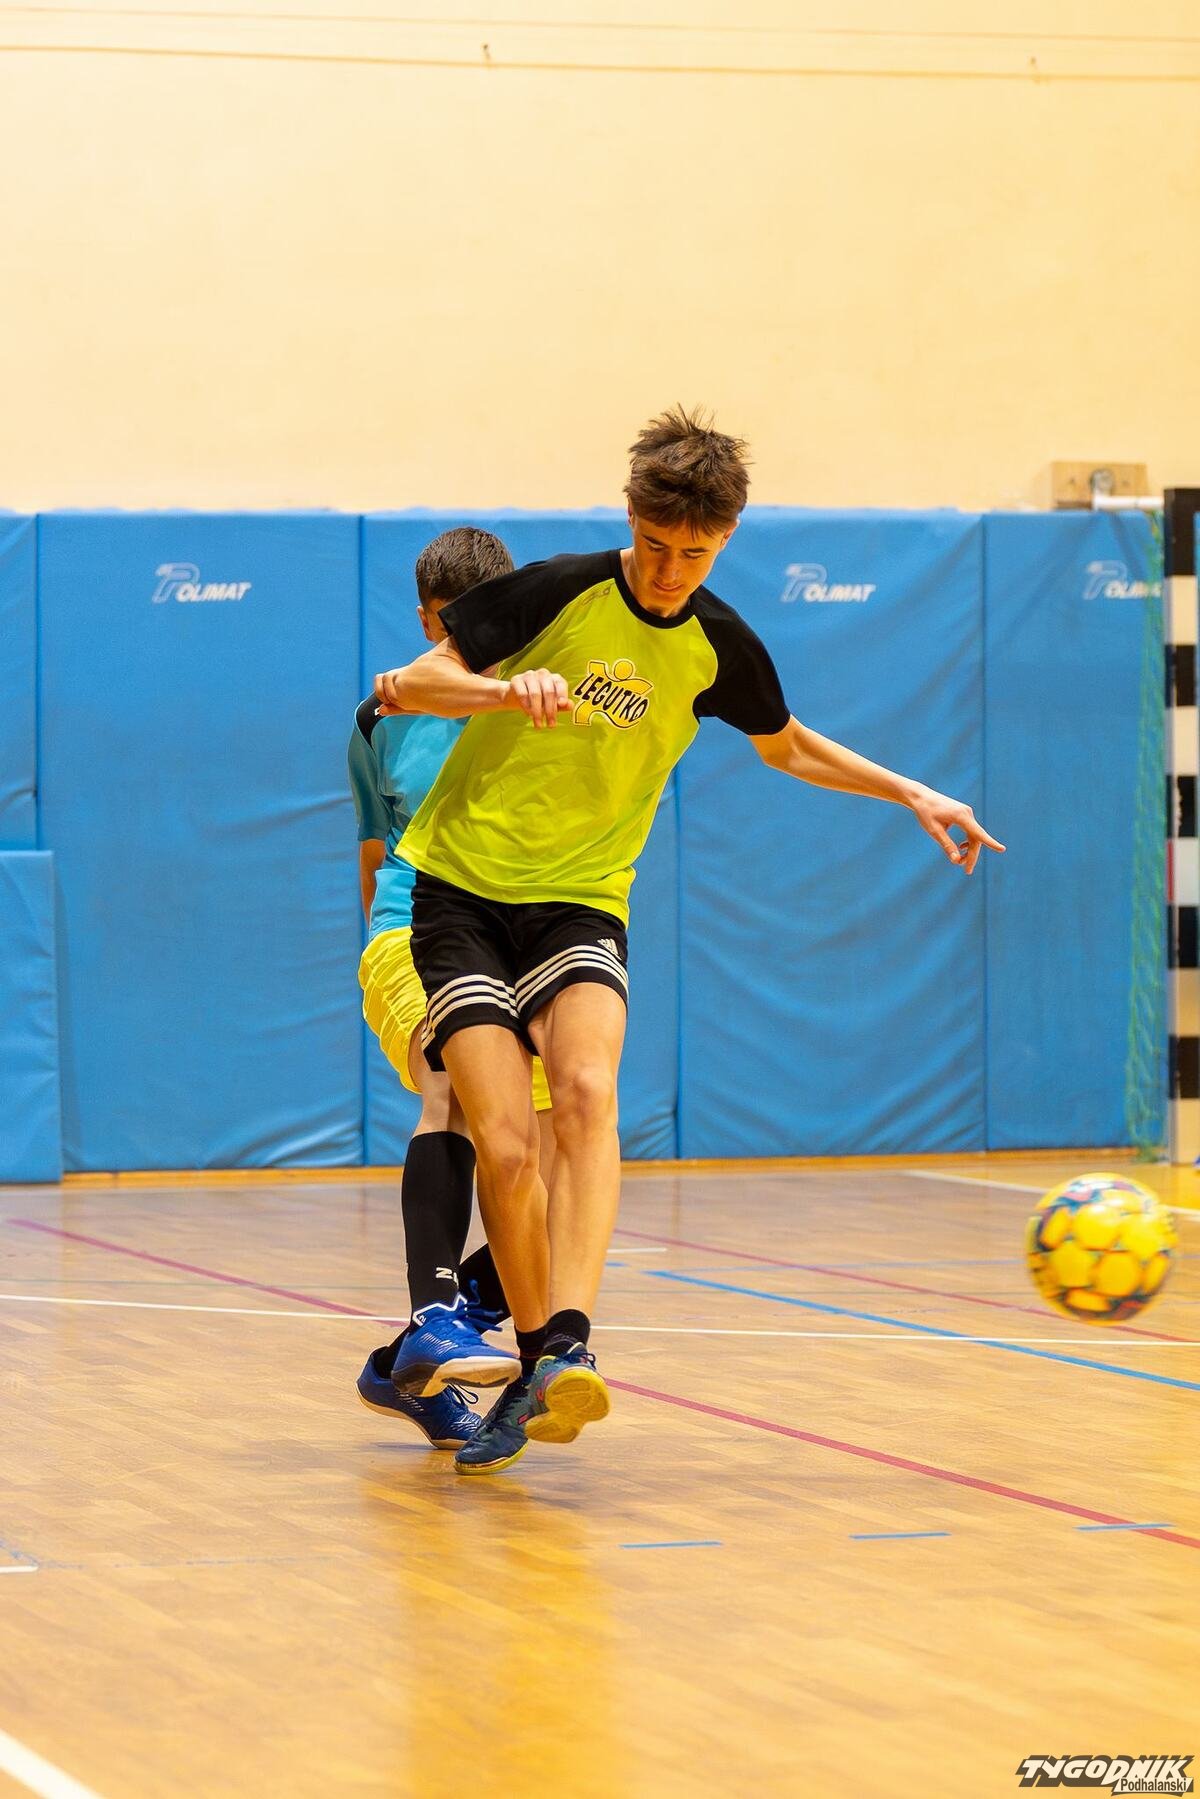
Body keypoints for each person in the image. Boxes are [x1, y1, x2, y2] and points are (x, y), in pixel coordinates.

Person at [375, 407, 1005, 1476]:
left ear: (727, 539)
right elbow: (406, 684)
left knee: (587, 1089)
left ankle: (567, 1344)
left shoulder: (717, 641)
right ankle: (531, 1352)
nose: (671, 572)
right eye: (657, 545)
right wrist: (502, 689)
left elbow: (786, 745)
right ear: (630, 518)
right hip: (460, 895)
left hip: (580, 901)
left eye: (696, 553)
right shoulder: (556, 593)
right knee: (508, 1145)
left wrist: (912, 790)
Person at [349, 526, 556, 1451]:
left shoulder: (536, 702)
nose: (458, 640)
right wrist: (393, 947)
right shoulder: (382, 716)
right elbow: (373, 856)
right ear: (425, 618)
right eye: (443, 623)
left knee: (551, 1169)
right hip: (412, 928)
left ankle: (409, 1360)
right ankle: (435, 1316)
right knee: (451, 1088)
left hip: (511, 936)